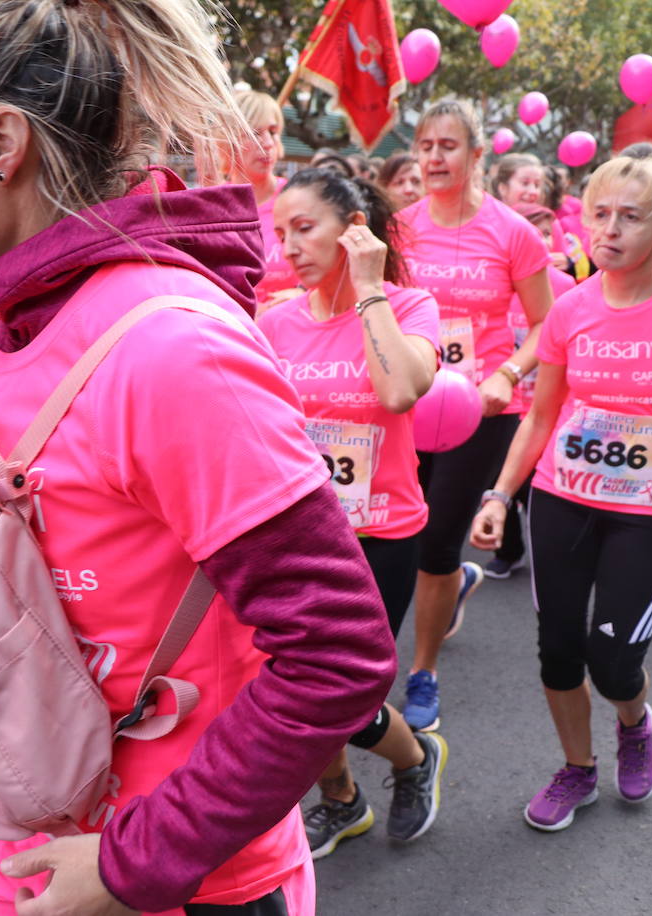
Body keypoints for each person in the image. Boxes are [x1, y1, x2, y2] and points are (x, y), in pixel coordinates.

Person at [0, 1, 398, 911]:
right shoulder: (4, 316)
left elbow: (336, 653)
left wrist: (126, 862)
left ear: (0, 143)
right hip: (36, 847)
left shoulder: (169, 349)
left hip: (185, 881)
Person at [469, 155, 652, 831]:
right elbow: (541, 416)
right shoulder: (570, 309)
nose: (609, 229)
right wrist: (500, 496)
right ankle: (578, 770)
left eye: (629, 216)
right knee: (558, 648)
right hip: (565, 494)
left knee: (614, 660)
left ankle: (633, 720)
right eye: (599, 213)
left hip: (650, 507)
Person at [258, 168, 447, 856]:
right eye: (281, 234)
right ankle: (340, 798)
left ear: (354, 230)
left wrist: (369, 290)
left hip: (380, 533)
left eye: (304, 229)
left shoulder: (412, 306)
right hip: (298, 531)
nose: (289, 248)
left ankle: (414, 759)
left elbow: (400, 391)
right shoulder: (273, 321)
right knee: (291, 687)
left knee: (337, 696)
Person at [397, 97, 554, 732]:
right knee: (396, 533)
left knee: (437, 539)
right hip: (408, 405)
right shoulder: (399, 227)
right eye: (426, 146)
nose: (435, 157)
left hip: (481, 410)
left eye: (449, 146)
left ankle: (423, 670)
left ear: (477, 154)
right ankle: (451, 585)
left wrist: (507, 373)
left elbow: (547, 323)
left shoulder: (512, 232)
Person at [486, 202, 579, 579]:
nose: (538, 241)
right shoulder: (493, 281)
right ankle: (508, 550)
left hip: (545, 401)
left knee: (538, 486)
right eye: (530, 232)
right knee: (501, 477)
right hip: (502, 402)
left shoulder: (565, 286)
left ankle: (547, 548)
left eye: (545, 233)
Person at [225, 88, 302, 313]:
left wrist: (304, 291)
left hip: (293, 328)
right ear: (228, 139)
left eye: (273, 131)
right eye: (255, 133)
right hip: (236, 334)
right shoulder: (212, 206)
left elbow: (332, 265)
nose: (267, 142)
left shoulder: (297, 197)